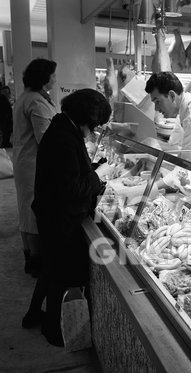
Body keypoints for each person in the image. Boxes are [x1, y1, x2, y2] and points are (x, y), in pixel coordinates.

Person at [22, 89, 112, 346]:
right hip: (59, 218)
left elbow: (69, 171)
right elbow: (69, 189)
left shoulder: (63, 128)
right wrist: (98, 176)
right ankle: (56, 331)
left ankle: (33, 315)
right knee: (64, 274)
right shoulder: (64, 137)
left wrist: (95, 168)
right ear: (87, 118)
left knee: (51, 267)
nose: (94, 130)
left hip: (51, 214)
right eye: (94, 125)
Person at [12, 58, 57, 276]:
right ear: (44, 77)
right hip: (33, 164)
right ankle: (36, 262)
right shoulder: (36, 101)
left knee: (26, 211)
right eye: (52, 75)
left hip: (24, 161)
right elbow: (46, 139)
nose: (55, 79)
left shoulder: (27, 96)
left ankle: (29, 256)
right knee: (33, 212)